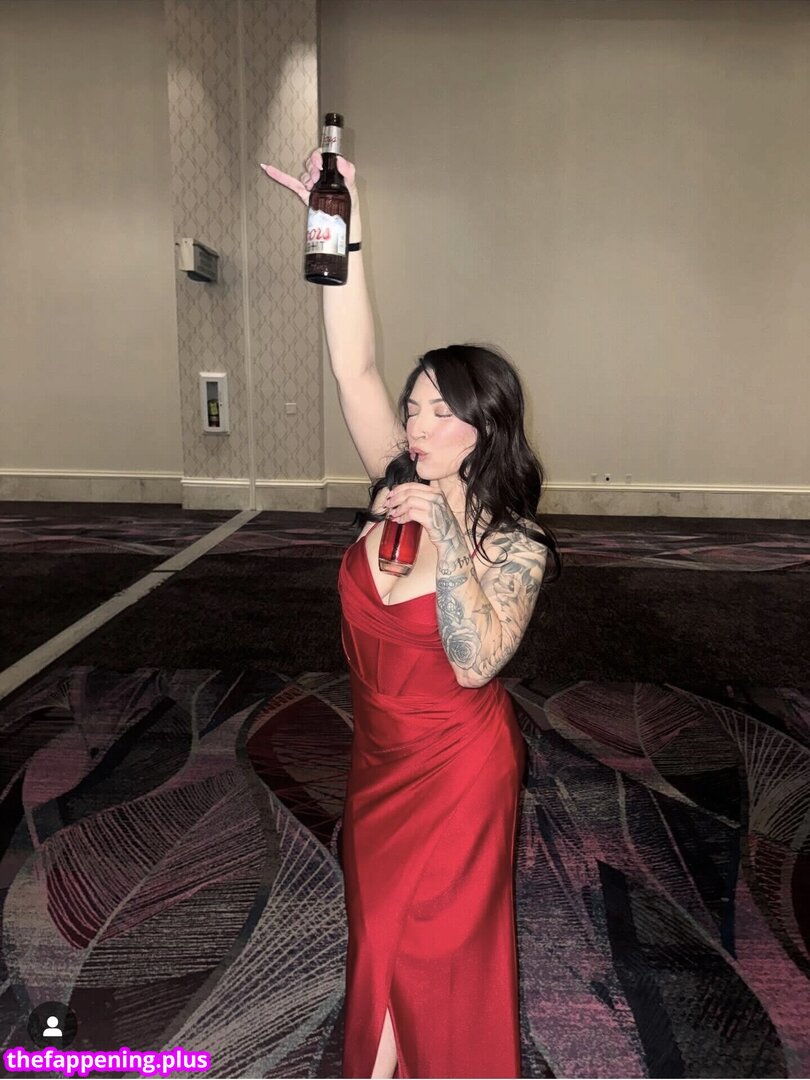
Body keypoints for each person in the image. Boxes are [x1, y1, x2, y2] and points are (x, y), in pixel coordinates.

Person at [261, 148, 561, 1079]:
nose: (416, 426)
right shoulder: (392, 479)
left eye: (440, 414)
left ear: (486, 427)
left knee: (435, 956)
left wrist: (448, 535)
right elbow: (353, 363)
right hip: (379, 759)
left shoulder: (516, 546)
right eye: (413, 407)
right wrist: (341, 234)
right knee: (379, 942)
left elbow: (475, 661)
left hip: (462, 769)